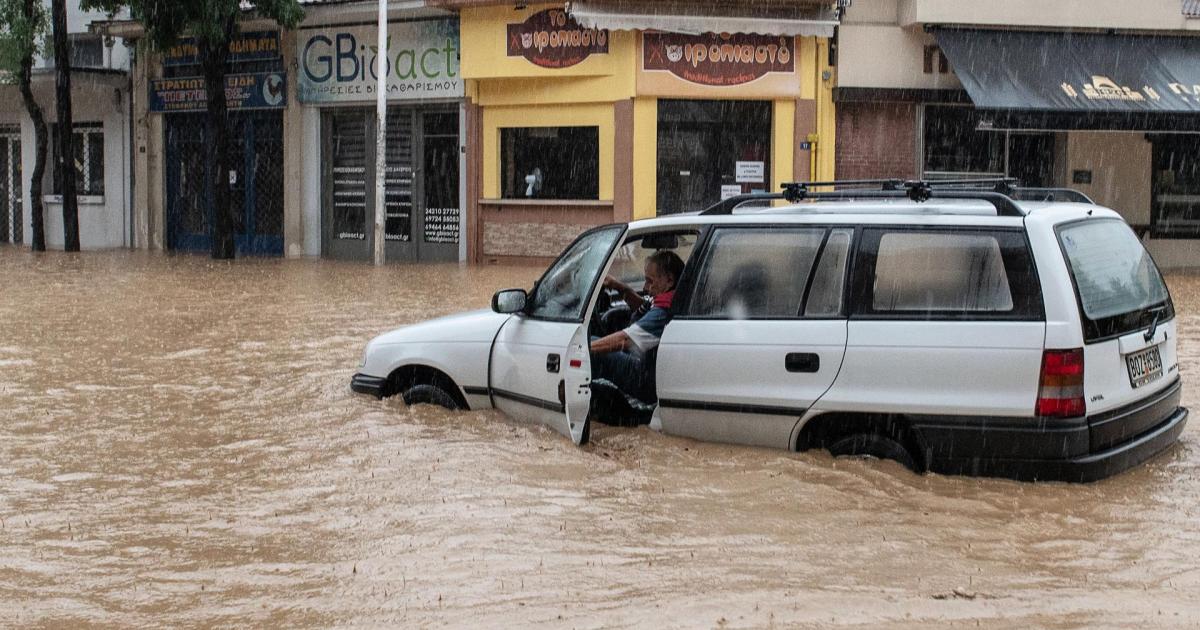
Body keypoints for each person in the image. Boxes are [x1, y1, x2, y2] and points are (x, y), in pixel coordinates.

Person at [589, 250, 685, 404]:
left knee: (593, 351)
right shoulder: (668, 299)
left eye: (649, 281)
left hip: (647, 381)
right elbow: (643, 309)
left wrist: (582, 349)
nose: (646, 287)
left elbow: (624, 340)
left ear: (669, 280)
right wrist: (622, 288)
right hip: (651, 371)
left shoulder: (665, 310)